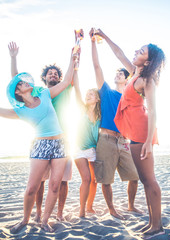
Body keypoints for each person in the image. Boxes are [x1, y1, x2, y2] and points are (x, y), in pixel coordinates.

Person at [0, 49, 76, 233]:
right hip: (40, 145)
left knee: (55, 185)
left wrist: (72, 56)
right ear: (19, 93)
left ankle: (45, 220)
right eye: (21, 84)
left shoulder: (45, 94)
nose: (24, 83)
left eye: (24, 81)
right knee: (32, 187)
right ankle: (25, 219)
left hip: (60, 144)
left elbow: (68, 79)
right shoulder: (20, 111)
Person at [93, 29, 166, 239]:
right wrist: (104, 36)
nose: (136, 51)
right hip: (136, 133)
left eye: (141, 51)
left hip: (143, 133)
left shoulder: (147, 79)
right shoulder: (135, 74)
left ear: (149, 59)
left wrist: (148, 142)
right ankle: (153, 223)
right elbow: (119, 53)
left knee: (149, 180)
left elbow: (153, 111)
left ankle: (158, 225)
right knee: (144, 180)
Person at [8, 42, 73, 222]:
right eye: (50, 73)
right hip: (42, 140)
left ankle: (58, 214)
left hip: (64, 139)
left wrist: (75, 49)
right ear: (44, 77)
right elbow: (16, 83)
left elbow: (70, 74)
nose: (53, 75)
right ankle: (37, 213)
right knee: (40, 182)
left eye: (56, 73)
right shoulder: (39, 92)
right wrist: (13, 58)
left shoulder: (66, 87)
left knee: (62, 181)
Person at [89, 28, 141, 220]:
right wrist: (93, 42)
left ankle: (131, 206)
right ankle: (111, 209)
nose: (118, 74)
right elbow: (96, 66)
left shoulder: (130, 96)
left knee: (134, 176)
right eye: (117, 73)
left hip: (124, 141)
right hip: (106, 139)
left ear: (127, 78)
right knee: (106, 179)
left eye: (122, 73)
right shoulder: (106, 92)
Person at [72, 55, 101, 217]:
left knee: (94, 180)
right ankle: (82, 209)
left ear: (97, 98)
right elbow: (77, 87)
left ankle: (89, 206)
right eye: (87, 94)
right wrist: (76, 68)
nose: (88, 95)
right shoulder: (81, 109)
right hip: (79, 148)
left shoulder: (101, 114)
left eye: (91, 94)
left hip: (94, 150)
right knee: (86, 179)